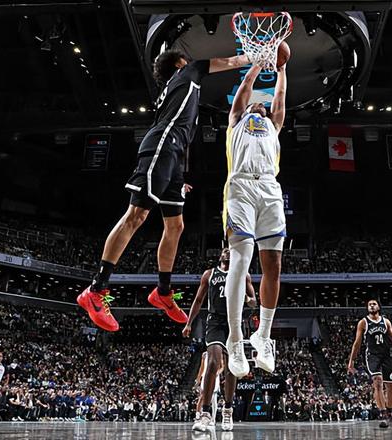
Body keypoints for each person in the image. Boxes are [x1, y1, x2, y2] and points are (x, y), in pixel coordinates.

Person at [77, 49, 250, 332]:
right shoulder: (188, 72)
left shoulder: (178, 87)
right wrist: (256, 57)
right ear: (180, 64)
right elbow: (232, 61)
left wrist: (174, 176)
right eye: (186, 59)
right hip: (161, 147)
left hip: (172, 157)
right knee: (136, 215)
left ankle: (163, 291)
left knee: (176, 226)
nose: (191, 61)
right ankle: (96, 289)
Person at [223, 56, 288, 378]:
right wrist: (258, 63)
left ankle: (262, 336)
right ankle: (235, 339)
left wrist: (282, 69)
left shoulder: (273, 125)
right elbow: (246, 88)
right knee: (241, 259)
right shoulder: (237, 119)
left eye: (264, 104)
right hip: (241, 187)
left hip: (270, 188)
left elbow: (280, 98)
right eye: (255, 103)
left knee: (273, 265)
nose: (259, 104)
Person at [183, 248, 256, 431]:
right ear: (220, 256)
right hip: (215, 322)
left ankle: (228, 409)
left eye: (231, 250)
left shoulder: (243, 274)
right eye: (225, 250)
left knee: (231, 368)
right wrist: (189, 323)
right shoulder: (209, 274)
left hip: (234, 322)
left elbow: (254, 301)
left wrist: (247, 298)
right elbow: (198, 300)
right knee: (213, 362)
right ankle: (206, 413)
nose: (228, 252)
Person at [347, 299, 392, 428]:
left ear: (378, 307)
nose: (371, 306)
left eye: (374, 304)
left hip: (386, 355)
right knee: (377, 382)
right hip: (372, 356)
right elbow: (357, 343)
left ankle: (389, 412)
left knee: (391, 386)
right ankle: (383, 413)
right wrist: (351, 361)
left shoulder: (386, 322)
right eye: (369, 304)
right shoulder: (363, 322)